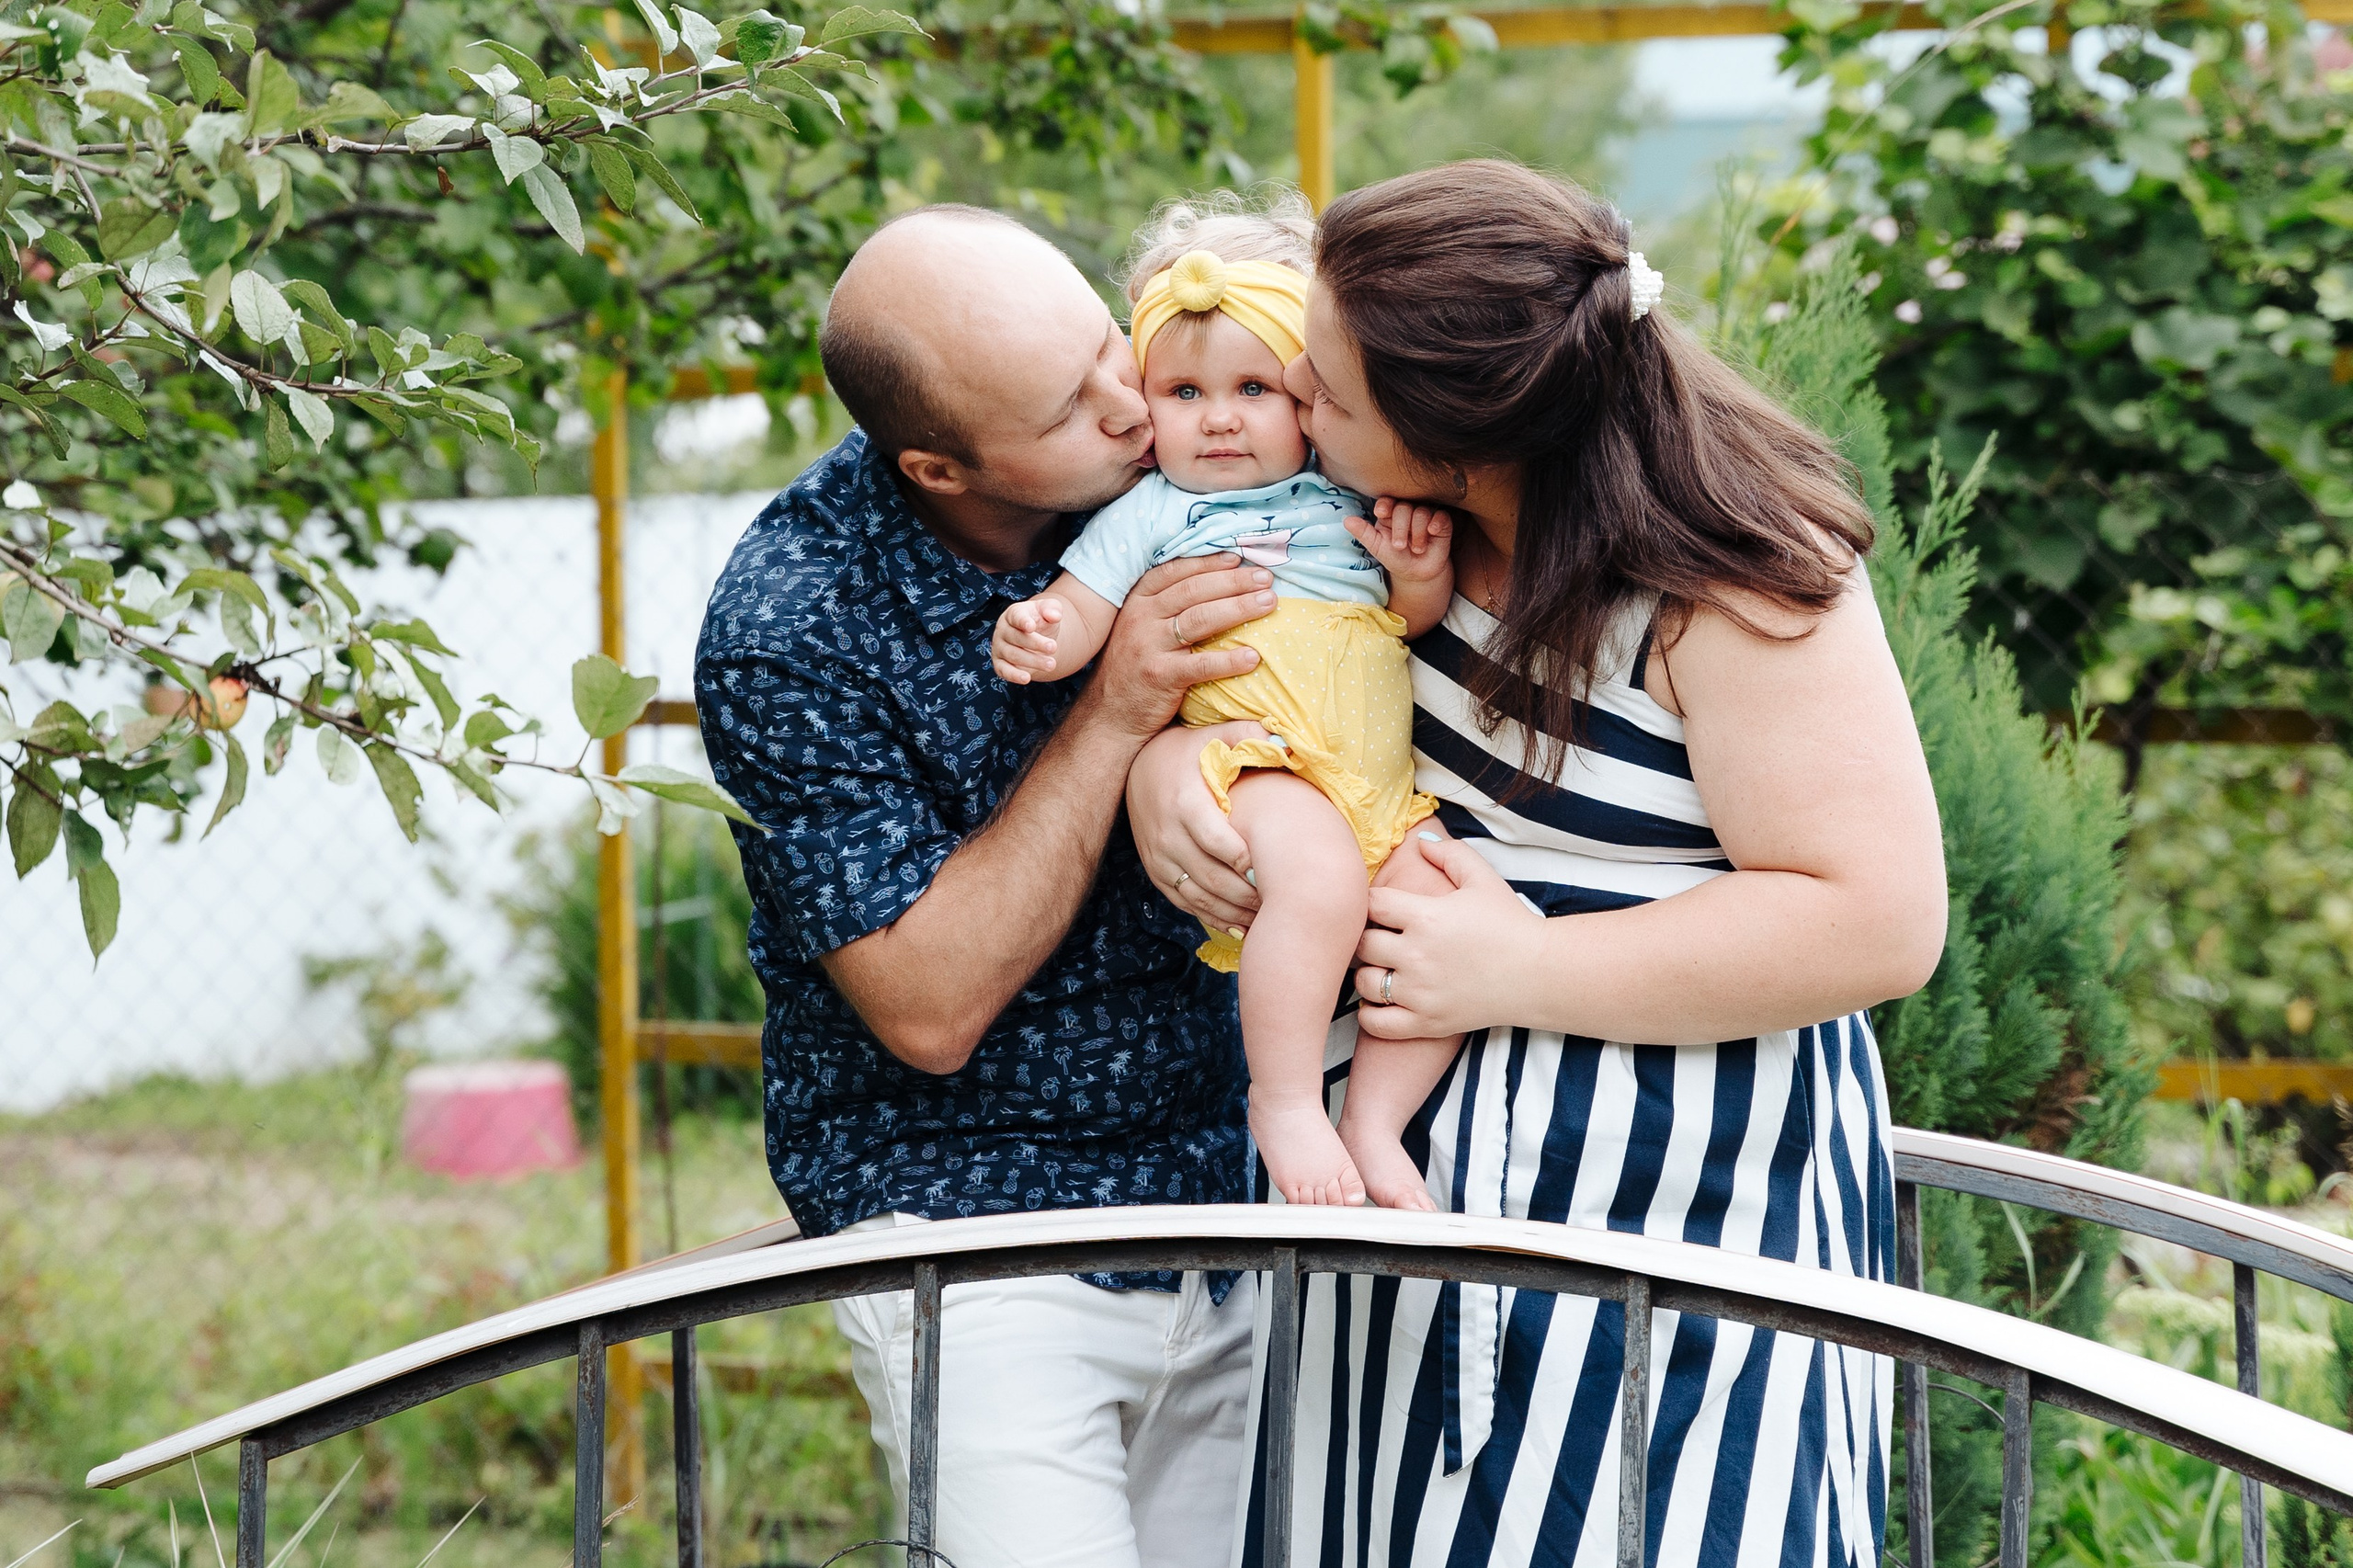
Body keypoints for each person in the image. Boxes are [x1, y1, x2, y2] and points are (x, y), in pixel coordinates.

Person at [1127, 162, 1949, 1566]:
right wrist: (1163, 777)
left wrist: (1524, 966)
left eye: (1322, 381)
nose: (1293, 399)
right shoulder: (1367, 538)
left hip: (1671, 1227)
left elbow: (1879, 919)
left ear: (1461, 432)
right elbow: (1251, 696)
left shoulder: (1730, 573)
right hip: (1400, 1213)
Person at [694, 204, 1281, 1568]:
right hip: (976, 1247)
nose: (1135, 406)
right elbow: (927, 1003)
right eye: (1070, 410)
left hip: (1229, 1194)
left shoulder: (1199, 456)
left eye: (1103, 348)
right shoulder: (793, 625)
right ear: (939, 465)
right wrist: (1120, 706)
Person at [988, 195, 1464, 1212]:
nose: (1218, 416)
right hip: (1257, 760)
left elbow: (1406, 626)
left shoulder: (1349, 495)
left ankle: (1372, 1124)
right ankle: (1286, 1101)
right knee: (1324, 881)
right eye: (1184, 389)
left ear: (1310, 395)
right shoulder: (1154, 511)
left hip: (1377, 786)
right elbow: (1082, 606)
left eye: (1255, 386)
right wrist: (1039, 633)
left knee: (1453, 917)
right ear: (1143, 399)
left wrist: (1416, 575)